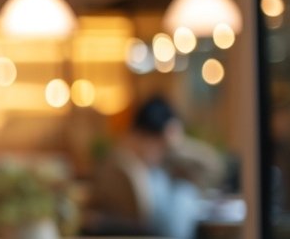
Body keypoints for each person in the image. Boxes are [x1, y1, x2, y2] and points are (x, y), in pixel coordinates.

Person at [86, 96, 222, 239]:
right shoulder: (123, 167)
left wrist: (178, 144)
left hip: (158, 229)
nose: (162, 151)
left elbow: (213, 167)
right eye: (160, 143)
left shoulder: (156, 166)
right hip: (152, 232)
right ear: (143, 135)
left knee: (185, 192)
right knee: (185, 193)